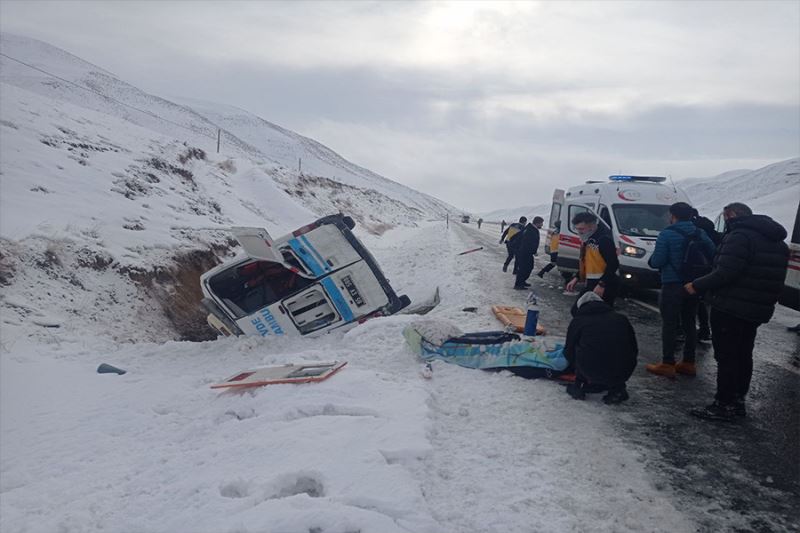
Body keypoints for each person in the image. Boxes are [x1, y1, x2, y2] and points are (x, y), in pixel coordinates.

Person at [685, 202, 789, 421]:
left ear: (731, 215)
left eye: (725, 217)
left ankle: (723, 403)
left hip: (730, 305)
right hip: (756, 308)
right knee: (743, 354)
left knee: (727, 356)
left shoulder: (740, 237)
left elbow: (725, 272)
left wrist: (697, 285)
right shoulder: (777, 241)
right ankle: (737, 401)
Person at [645, 202, 715, 379]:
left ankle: (667, 363)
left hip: (672, 284)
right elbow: (713, 253)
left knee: (669, 324)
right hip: (693, 285)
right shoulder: (700, 233)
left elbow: (658, 261)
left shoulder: (667, 234)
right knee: (689, 322)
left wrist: (653, 260)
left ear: (672, 215)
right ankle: (688, 362)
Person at [563, 292, 638, 404]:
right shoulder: (621, 319)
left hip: (591, 369)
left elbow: (569, 351)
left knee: (580, 349)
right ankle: (617, 389)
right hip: (624, 371)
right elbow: (633, 347)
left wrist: (574, 367)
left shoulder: (579, 321)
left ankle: (578, 386)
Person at [565, 211, 620, 306]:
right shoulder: (588, 240)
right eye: (577, 229)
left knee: (596, 313)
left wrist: (602, 284)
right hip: (591, 282)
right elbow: (587, 262)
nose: (579, 232)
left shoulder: (604, 240)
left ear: (592, 226)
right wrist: (577, 277)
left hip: (605, 284)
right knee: (579, 310)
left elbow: (613, 264)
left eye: (582, 229)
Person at [691, 208, 722, 340]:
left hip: (692, 270)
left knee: (688, 302)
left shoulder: (695, 230)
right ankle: (705, 329)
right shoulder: (708, 228)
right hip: (706, 269)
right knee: (701, 301)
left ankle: (683, 330)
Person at [513, 216, 544, 290]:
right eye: (541, 223)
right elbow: (527, 242)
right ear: (538, 223)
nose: (542, 225)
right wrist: (531, 251)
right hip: (524, 252)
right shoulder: (530, 230)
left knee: (528, 267)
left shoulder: (530, 228)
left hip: (526, 252)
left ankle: (522, 282)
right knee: (524, 268)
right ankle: (518, 284)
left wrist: (534, 251)